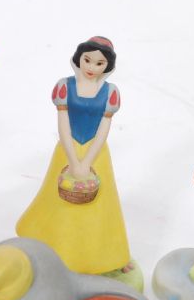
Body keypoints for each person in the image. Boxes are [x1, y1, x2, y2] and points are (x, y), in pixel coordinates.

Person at [16, 36, 132, 276]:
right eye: (87, 60)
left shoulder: (110, 92)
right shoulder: (64, 86)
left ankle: (110, 256)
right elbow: (63, 125)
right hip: (67, 150)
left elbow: (104, 129)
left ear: (107, 66)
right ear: (79, 58)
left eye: (99, 63)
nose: (91, 67)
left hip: (96, 154)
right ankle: (55, 250)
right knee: (58, 202)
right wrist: (73, 161)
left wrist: (86, 163)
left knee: (101, 207)